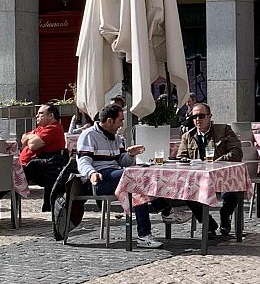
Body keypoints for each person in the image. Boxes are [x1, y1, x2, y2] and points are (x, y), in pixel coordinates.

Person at [77, 104, 186, 248]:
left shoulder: (116, 137)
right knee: (134, 179)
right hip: (100, 179)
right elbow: (83, 160)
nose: (122, 124)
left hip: (118, 175)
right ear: (109, 121)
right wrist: (91, 173)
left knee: (140, 177)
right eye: (120, 120)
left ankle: (148, 230)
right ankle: (164, 213)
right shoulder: (89, 135)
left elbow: (122, 161)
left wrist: (130, 154)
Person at [177, 103, 243, 235]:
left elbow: (237, 153)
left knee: (233, 193)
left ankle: (225, 216)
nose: (197, 120)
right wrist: (184, 161)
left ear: (209, 117)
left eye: (201, 116)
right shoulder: (188, 136)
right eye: (194, 116)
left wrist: (214, 163)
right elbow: (180, 157)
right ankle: (209, 224)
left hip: (223, 177)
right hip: (198, 180)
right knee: (187, 194)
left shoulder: (224, 130)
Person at [20, 104, 68, 212]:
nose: (37, 116)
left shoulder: (53, 128)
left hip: (43, 166)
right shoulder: (41, 128)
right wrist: (30, 137)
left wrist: (30, 138)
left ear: (51, 115)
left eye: (40, 113)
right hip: (28, 165)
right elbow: (23, 138)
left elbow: (32, 145)